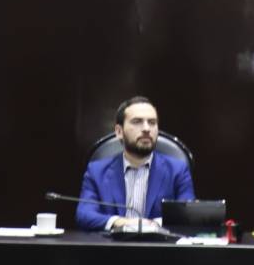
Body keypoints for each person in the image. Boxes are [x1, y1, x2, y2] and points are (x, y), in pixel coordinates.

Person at [76, 96, 195, 232]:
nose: (146, 129)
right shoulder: (97, 171)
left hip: (159, 244)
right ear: (119, 132)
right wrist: (122, 222)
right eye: (137, 122)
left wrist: (150, 225)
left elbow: (188, 215)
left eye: (152, 122)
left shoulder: (177, 170)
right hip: (112, 244)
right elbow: (84, 215)